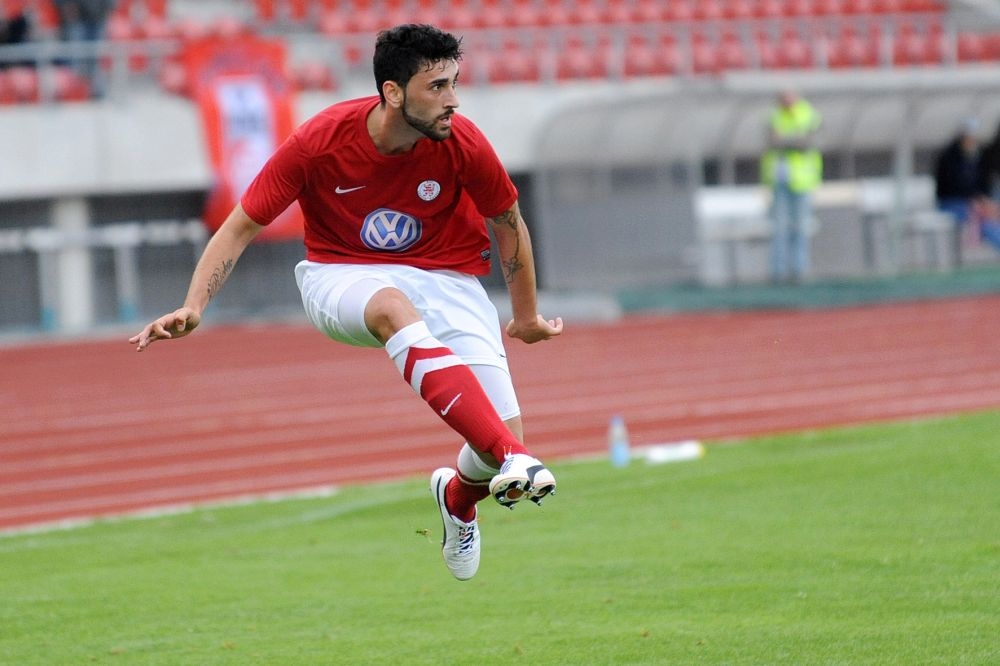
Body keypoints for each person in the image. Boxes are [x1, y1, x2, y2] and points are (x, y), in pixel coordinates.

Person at [128, 24, 563, 581]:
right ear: (393, 92)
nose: (453, 99)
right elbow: (239, 227)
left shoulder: (464, 142)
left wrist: (524, 317)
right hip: (340, 274)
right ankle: (512, 457)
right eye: (437, 86)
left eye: (454, 83)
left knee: (496, 436)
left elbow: (507, 223)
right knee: (392, 309)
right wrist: (194, 306)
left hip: (447, 279)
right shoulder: (320, 140)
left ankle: (459, 498)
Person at [760, 89, 823, 283]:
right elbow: (772, 141)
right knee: (779, 227)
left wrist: (785, 140)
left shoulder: (808, 114)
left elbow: (807, 142)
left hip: (801, 181)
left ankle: (799, 271)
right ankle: (778, 272)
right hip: (779, 180)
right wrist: (794, 139)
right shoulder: (775, 115)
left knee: (800, 227)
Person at [934, 117, 1000, 253]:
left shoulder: (977, 157)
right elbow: (951, 185)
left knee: (991, 216)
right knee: (985, 223)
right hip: (952, 202)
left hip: (973, 201)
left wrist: (982, 199)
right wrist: (974, 200)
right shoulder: (949, 158)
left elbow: (982, 184)